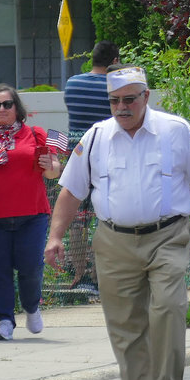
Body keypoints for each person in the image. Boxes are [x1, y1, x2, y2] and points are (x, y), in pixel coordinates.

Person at [43, 66, 190, 380]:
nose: (121, 107)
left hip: (167, 236)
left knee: (168, 308)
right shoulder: (95, 137)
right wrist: (55, 236)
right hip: (113, 240)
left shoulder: (175, 130)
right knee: (125, 323)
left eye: (128, 100)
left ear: (146, 98)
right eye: (114, 101)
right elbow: (72, 190)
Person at [0, 85, 63, 341]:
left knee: (31, 268)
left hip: (31, 216)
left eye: (7, 104)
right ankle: (4, 321)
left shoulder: (35, 134)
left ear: (17, 108)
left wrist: (52, 166)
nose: (1, 109)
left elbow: (53, 170)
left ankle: (32, 307)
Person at [61, 40, 121, 291]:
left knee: (77, 218)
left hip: (75, 152)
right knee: (103, 216)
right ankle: (98, 275)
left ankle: (78, 274)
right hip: (103, 152)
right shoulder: (113, 86)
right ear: (114, 62)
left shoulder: (72, 84)